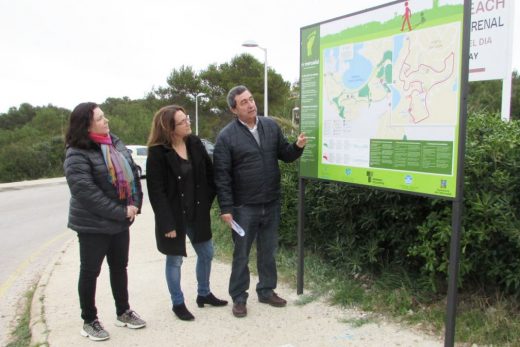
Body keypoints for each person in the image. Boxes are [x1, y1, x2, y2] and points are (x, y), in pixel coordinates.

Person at [213, 85, 307, 318]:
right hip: (243, 207)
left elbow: (285, 155)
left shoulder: (270, 126)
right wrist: (226, 208)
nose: (251, 104)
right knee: (241, 254)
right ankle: (239, 297)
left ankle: (266, 291)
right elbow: (222, 176)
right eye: (243, 102)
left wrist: (297, 147)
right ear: (234, 109)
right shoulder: (226, 137)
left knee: (268, 251)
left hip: (271, 202)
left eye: (251, 99)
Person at [64, 102, 146, 341]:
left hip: (120, 222)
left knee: (120, 267)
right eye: (100, 118)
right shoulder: (76, 153)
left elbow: (133, 173)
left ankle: (123, 312)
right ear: (86, 125)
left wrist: (135, 204)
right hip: (92, 225)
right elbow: (87, 194)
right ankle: (89, 320)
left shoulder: (114, 143)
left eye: (104, 116)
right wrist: (121, 211)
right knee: (90, 272)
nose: (106, 121)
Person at [146, 105, 228, 321]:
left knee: (207, 253)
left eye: (187, 119)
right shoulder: (157, 153)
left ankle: (204, 294)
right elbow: (156, 192)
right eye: (183, 121)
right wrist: (166, 223)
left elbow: (210, 176)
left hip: (197, 212)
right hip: (173, 218)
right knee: (174, 261)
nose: (188, 123)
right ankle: (178, 303)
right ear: (169, 128)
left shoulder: (195, 143)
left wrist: (207, 203)